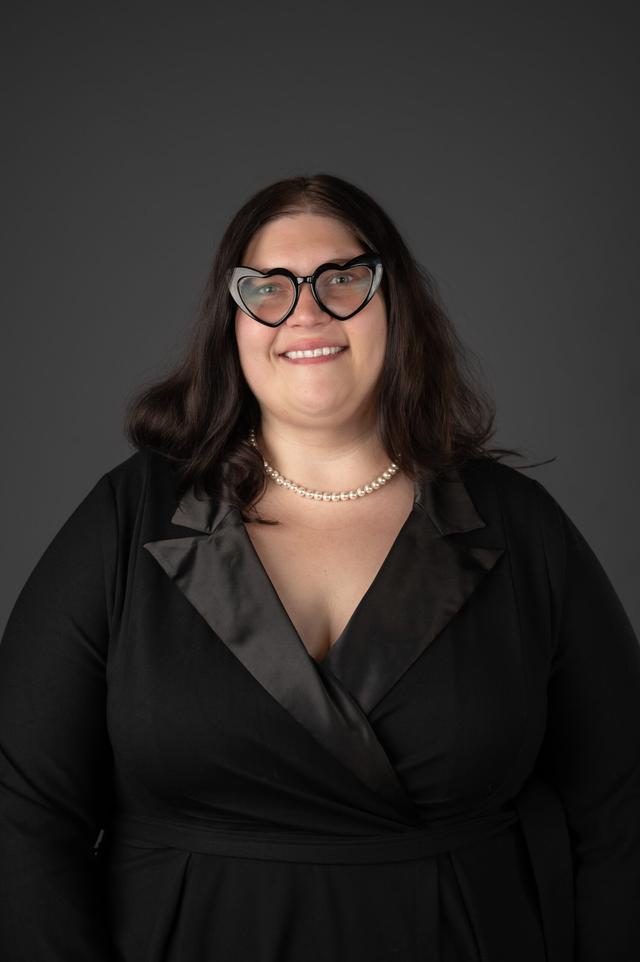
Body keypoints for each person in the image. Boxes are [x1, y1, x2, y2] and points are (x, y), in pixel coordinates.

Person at [1, 173, 639, 962]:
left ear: (394, 302)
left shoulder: (519, 524)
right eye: (266, 288)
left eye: (342, 279)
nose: (305, 309)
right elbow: (22, 813)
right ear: (231, 323)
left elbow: (622, 811)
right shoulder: (126, 519)